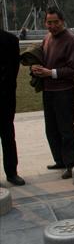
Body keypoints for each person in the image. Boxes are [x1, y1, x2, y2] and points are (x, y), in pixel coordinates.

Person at [31, 7, 74, 179]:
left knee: (66, 129)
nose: (52, 26)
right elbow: (42, 59)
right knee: (51, 129)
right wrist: (35, 67)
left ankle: (71, 163)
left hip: (64, 92)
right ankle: (59, 159)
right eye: (49, 22)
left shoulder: (71, 40)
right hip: (48, 91)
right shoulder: (47, 38)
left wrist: (50, 73)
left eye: (55, 22)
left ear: (62, 22)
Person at [0, 29, 25, 185]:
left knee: (8, 136)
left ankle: (11, 172)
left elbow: (14, 69)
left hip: (5, 97)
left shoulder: (10, 40)